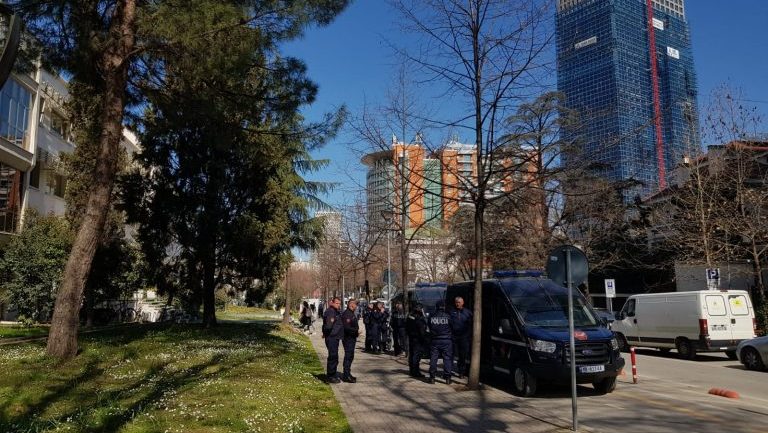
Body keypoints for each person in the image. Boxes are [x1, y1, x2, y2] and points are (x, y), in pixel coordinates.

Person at [427, 300, 453, 384]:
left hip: (435, 340)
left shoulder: (432, 316)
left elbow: (429, 327)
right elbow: (452, 327)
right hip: (446, 340)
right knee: (447, 359)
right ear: (444, 307)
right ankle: (448, 378)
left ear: (436, 307)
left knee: (433, 358)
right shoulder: (448, 316)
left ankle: (432, 377)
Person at [322, 297, 344, 383]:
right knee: (333, 356)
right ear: (332, 303)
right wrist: (328, 334)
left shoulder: (335, 311)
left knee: (335, 356)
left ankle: (333, 374)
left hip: (335, 337)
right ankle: (330, 376)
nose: (338, 305)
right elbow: (328, 326)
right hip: (332, 337)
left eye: (339, 304)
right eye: (337, 303)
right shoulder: (331, 312)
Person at [450, 296, 473, 378]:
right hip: (453, 337)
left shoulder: (468, 312)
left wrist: (469, 336)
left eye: (459, 302)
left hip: (464, 338)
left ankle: (461, 372)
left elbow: (471, 325)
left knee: (462, 356)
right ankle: (449, 371)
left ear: (462, 303)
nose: (457, 304)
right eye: (456, 302)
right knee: (450, 355)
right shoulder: (451, 312)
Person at [405, 303, 429, 378]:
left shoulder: (409, 315)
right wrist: (424, 338)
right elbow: (421, 329)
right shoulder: (419, 317)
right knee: (416, 356)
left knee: (412, 355)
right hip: (418, 339)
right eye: (422, 308)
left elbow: (406, 327)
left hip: (411, 338)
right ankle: (415, 372)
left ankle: (412, 370)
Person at [341, 298, 360, 383]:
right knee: (348, 356)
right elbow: (347, 327)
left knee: (350, 356)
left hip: (351, 338)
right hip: (348, 338)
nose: (356, 306)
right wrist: (356, 331)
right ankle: (346, 375)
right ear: (351, 304)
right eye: (355, 304)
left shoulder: (351, 313)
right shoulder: (347, 314)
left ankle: (348, 373)